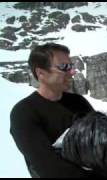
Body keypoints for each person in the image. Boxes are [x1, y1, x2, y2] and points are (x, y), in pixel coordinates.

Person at [10, 43, 95, 178]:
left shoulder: (79, 102)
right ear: (41, 73)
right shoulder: (24, 112)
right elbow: (50, 168)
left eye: (71, 66)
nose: (72, 72)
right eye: (64, 67)